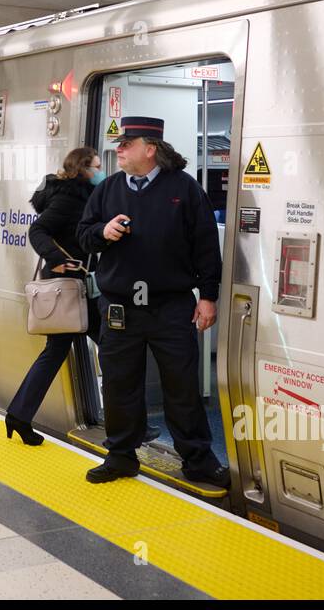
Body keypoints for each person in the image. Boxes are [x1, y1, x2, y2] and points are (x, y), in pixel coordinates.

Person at [76, 116, 230, 488]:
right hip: (118, 307)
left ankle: (197, 460)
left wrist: (207, 297)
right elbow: (83, 235)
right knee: (119, 383)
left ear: (151, 149)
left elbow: (207, 249)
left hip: (171, 306)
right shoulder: (108, 189)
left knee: (182, 385)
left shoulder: (186, 190)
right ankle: (121, 456)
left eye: (127, 143)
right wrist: (103, 232)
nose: (119, 149)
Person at [5, 147, 104, 445]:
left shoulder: (86, 197)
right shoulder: (68, 198)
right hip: (67, 287)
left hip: (80, 287)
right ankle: (127, 424)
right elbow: (38, 230)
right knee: (112, 348)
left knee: (59, 353)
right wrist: (56, 258)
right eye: (97, 166)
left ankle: (19, 416)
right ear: (83, 169)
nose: (101, 171)